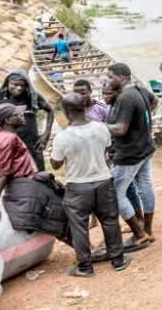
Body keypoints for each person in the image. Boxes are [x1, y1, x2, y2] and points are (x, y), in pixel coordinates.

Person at [50, 94, 131, 277]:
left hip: (78, 186)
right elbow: (106, 149)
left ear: (66, 112)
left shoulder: (62, 137)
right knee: (110, 221)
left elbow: (56, 164)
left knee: (79, 226)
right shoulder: (101, 128)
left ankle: (85, 267)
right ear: (84, 107)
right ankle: (118, 260)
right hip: (103, 181)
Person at [0, 104, 69, 242]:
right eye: (18, 114)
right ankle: (87, 253)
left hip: (28, 182)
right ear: (8, 120)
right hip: (24, 185)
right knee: (57, 216)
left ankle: (86, 252)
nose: (22, 116)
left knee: (57, 216)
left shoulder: (4, 135)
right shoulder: (6, 140)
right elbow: (3, 172)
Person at [105, 63, 158, 252]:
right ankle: (148, 230)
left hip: (129, 154)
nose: (108, 81)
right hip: (145, 148)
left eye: (110, 77)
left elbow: (120, 129)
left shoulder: (125, 98)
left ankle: (138, 234)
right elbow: (155, 102)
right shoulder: (140, 90)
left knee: (114, 192)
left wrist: (95, 125)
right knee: (145, 187)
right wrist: (142, 123)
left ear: (120, 77)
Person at [0, 72, 54, 172]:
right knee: (13, 180)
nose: (19, 88)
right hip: (10, 152)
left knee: (39, 180)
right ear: (7, 83)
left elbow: (50, 110)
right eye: (15, 84)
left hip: (33, 149)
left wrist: (47, 134)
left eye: (22, 85)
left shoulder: (31, 97)